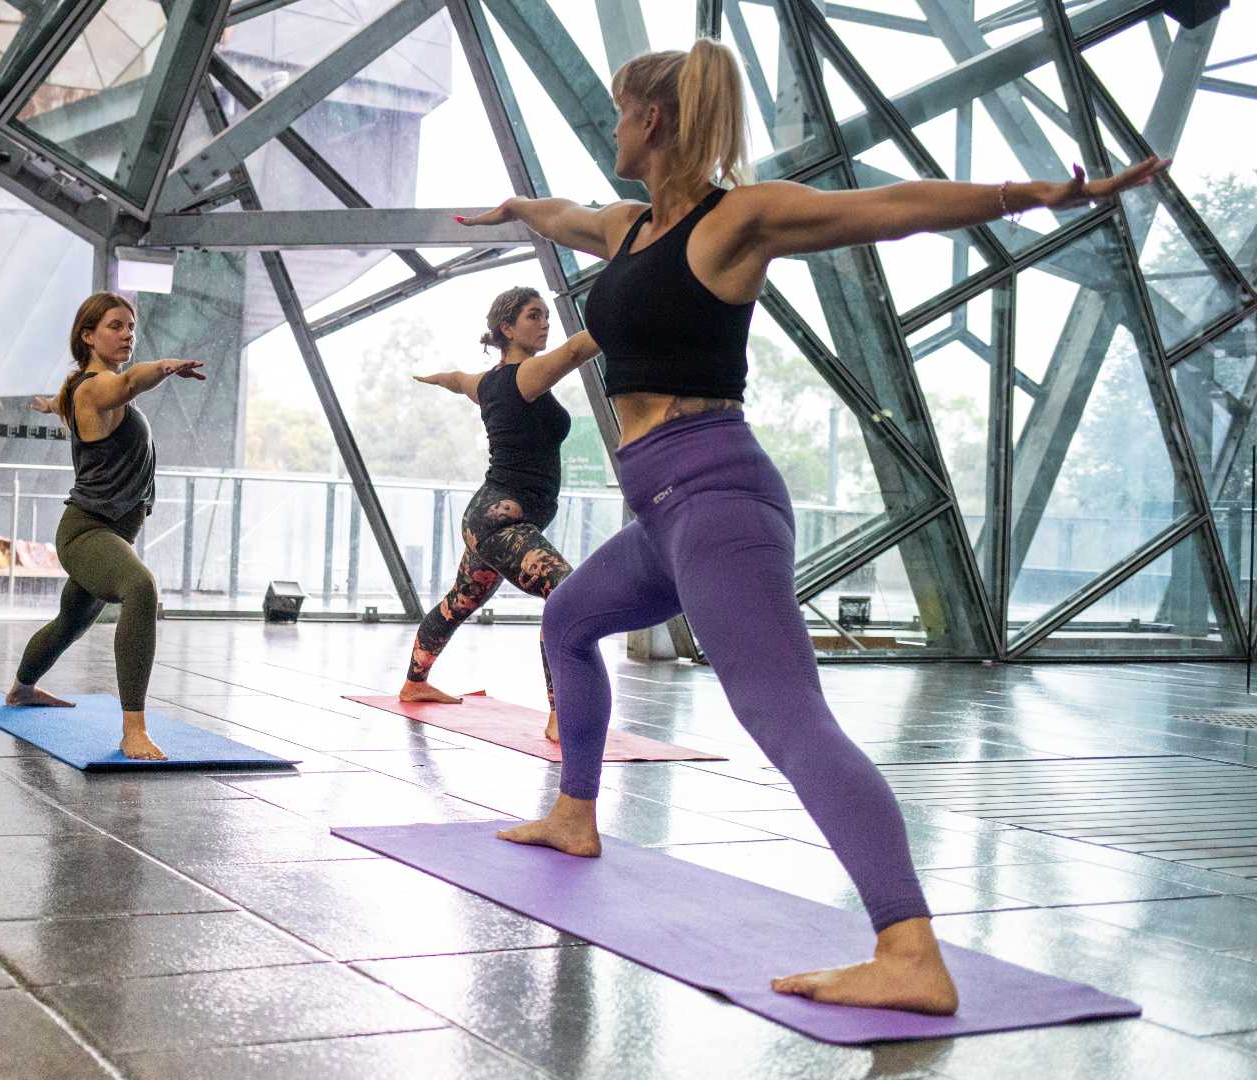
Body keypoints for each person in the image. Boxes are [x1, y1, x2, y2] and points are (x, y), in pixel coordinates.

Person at [462, 40, 1166, 1013]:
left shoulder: (734, 220)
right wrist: (513, 211)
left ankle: (909, 950)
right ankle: (576, 814)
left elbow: (889, 207)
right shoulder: (628, 230)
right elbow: (566, 215)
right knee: (569, 619)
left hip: (718, 500)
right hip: (658, 513)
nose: (612, 128)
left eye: (622, 111)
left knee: (786, 715)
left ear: (652, 122)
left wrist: (1038, 193)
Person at [9, 292, 206, 761]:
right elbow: (129, 385)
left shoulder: (79, 390)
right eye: (115, 326)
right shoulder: (97, 387)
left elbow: (73, 400)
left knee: (70, 623)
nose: (127, 334)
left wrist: (46, 405)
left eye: (130, 327)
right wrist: (163, 366)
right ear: (88, 335)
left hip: (111, 533)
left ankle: (21, 689)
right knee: (140, 587)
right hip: (87, 533)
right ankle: (133, 730)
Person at [401, 287, 600, 742]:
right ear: (507, 329)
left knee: (459, 602)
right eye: (534, 316)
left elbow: (458, 378)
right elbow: (575, 351)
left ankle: (414, 683)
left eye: (547, 315)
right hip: (501, 523)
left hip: (488, 521)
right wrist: (628, 313)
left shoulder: (486, 383)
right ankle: (561, 714)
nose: (545, 323)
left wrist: (436, 378)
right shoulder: (524, 375)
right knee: (566, 595)